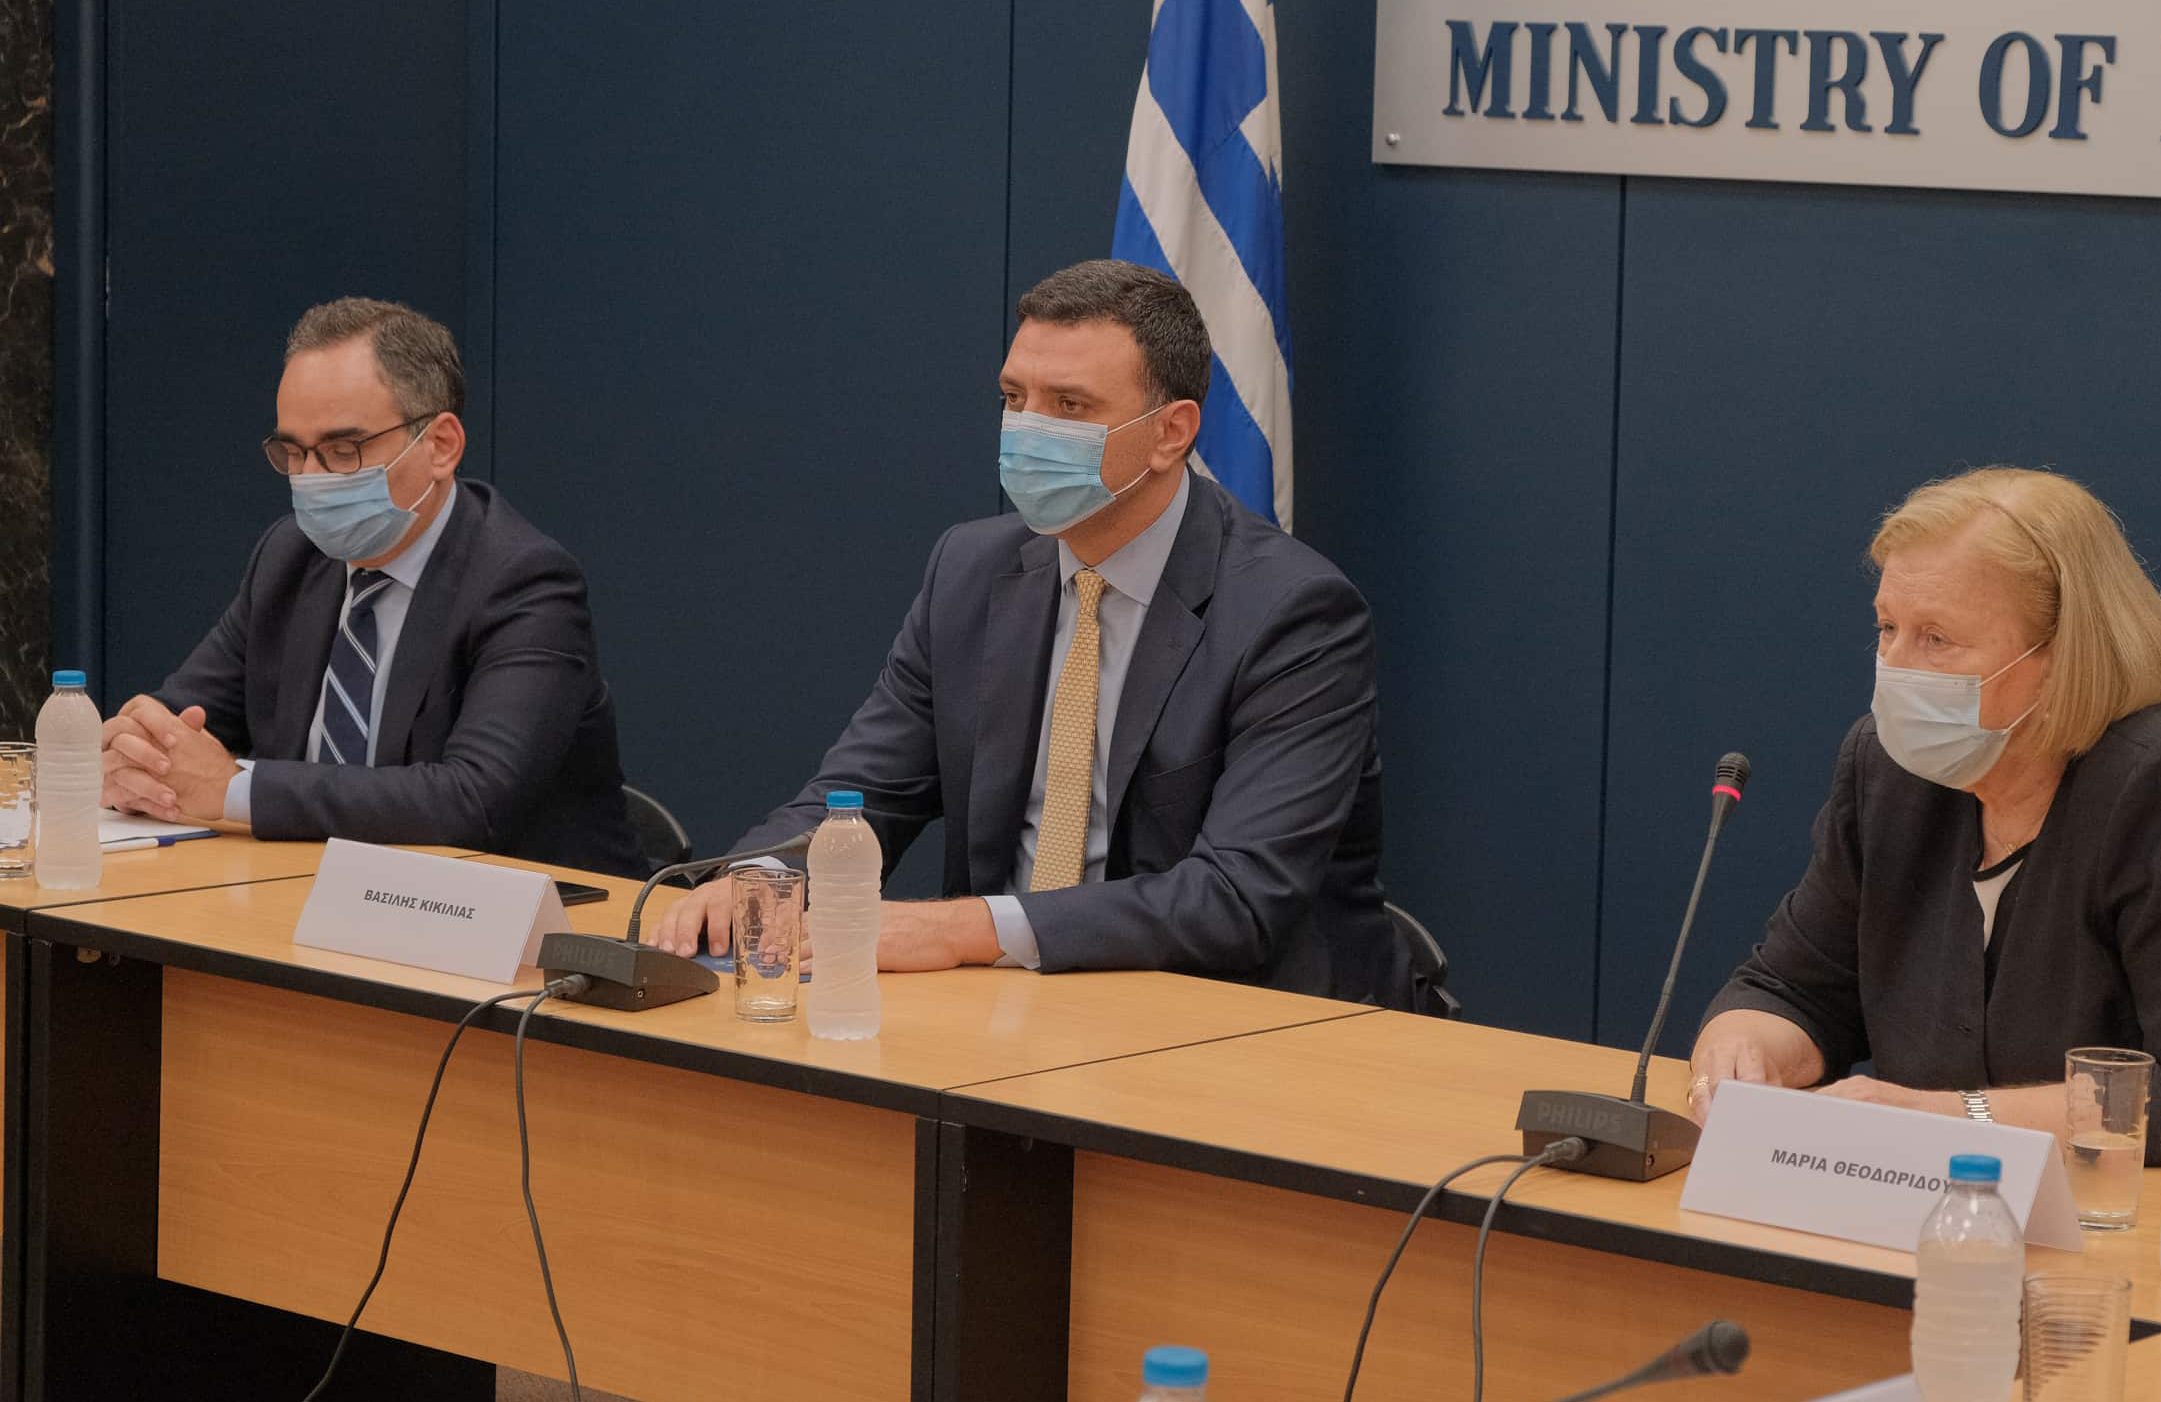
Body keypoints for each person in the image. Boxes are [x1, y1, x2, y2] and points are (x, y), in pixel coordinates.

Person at [654, 259, 1416, 1007]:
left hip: (1233, 1017)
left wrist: (962, 928)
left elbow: (1236, 896)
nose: (1027, 430)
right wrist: (759, 879)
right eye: (1014, 398)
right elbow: (867, 791)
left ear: (1171, 433)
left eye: (1069, 405)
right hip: (1009, 1006)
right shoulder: (970, 568)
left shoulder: (1291, 611)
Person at [1688, 467, 2161, 1175]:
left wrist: (1939, 1118)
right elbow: (1793, 989)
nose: (1895, 667)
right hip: (1988, 1210)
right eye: (1887, 628)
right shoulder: (1892, 775)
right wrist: (1741, 1051)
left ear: (2061, 655)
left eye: (1936, 638)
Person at [98, 298, 641, 879]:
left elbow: (472, 800)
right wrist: (132, 755)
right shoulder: (290, 558)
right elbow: (180, 724)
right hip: (306, 894)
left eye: (343, 451)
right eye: (293, 452)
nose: (310, 479)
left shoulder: (524, 581)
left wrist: (233, 791)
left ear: (441, 445)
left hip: (525, 914)